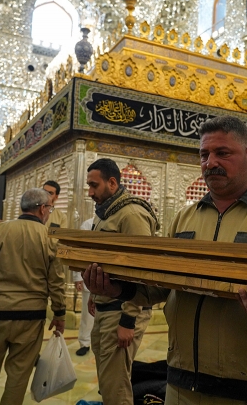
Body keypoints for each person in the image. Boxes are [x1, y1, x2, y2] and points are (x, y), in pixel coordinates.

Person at [84, 116, 247, 405]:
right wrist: (116, 288)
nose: (210, 163)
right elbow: (159, 285)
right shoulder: (183, 220)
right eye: (204, 155)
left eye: (222, 153)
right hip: (180, 387)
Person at [0, 188, 66, 405]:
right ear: (42, 209)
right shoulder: (49, 238)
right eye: (49, 209)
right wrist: (59, 313)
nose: (49, 213)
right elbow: (56, 281)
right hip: (31, 317)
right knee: (18, 375)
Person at [87, 158, 159, 405]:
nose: (90, 192)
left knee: (115, 389)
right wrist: (94, 294)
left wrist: (128, 320)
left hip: (122, 311)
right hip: (105, 308)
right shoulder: (105, 213)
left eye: (94, 185)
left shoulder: (132, 214)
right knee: (108, 384)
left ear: (112, 183)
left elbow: (142, 271)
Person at [73, 218, 95, 356]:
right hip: (89, 275)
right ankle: (85, 342)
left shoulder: (117, 221)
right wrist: (77, 277)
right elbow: (79, 251)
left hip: (111, 279)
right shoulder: (88, 224)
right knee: (87, 315)